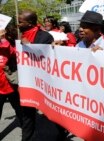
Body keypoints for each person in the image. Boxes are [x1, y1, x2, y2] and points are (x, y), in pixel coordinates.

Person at [18, 10, 70, 141]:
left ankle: (61, 133)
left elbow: (44, 58)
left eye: (20, 22)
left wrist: (29, 46)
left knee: (51, 111)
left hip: (45, 83)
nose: (18, 24)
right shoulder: (23, 34)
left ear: (29, 23)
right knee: (27, 114)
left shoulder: (45, 36)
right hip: (29, 82)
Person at [0, 27, 23, 126]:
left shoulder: (8, 45)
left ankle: (27, 131)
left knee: (18, 108)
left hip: (9, 83)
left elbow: (13, 53)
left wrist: (3, 39)